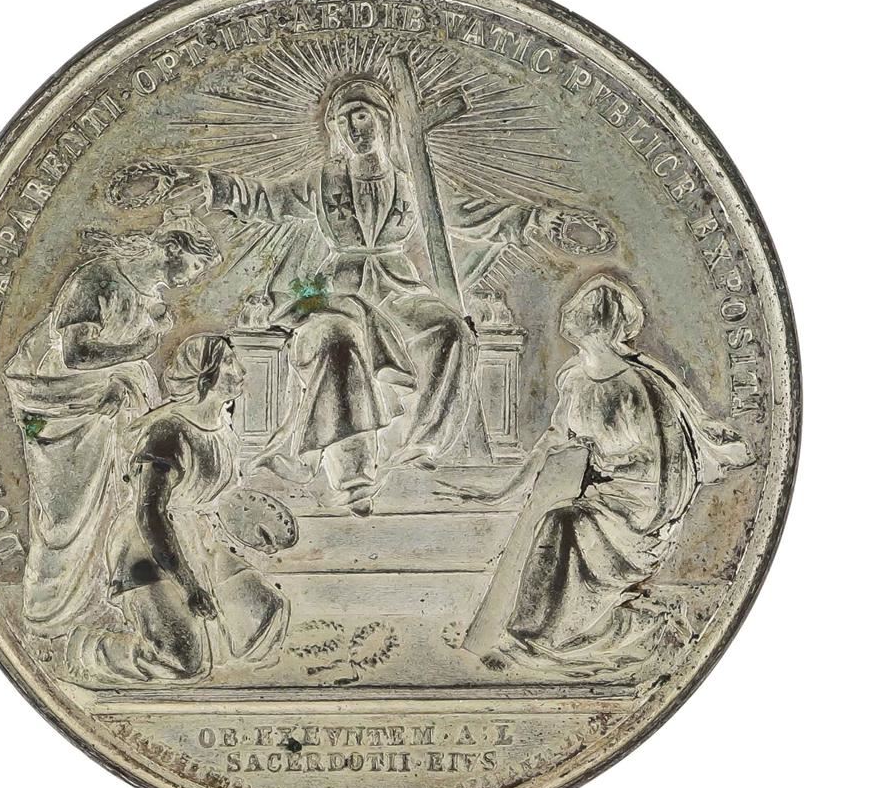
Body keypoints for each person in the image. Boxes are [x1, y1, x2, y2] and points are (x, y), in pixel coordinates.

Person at [108, 76, 614, 514]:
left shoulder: (411, 183)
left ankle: (418, 451)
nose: (356, 128)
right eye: (346, 119)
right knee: (336, 340)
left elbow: (473, 215)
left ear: (383, 123)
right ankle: (353, 476)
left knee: (450, 333)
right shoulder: (322, 183)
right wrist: (203, 185)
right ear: (334, 128)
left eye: (364, 116)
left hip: (398, 287)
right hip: (332, 288)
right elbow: (264, 199)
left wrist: (541, 219)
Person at [438, 275, 753, 672]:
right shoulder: (574, 379)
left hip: (639, 504)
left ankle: (531, 642)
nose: (573, 317)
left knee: (562, 524)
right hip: (600, 496)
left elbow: (669, 465)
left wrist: (629, 489)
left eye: (586, 313)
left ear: (603, 325)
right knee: (558, 524)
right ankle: (534, 637)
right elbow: (551, 442)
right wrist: (500, 493)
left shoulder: (640, 386)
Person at [5, 220, 220, 643]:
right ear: (173, 249)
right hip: (67, 413)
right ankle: (49, 616)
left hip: (112, 418)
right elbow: (74, 354)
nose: (193, 278)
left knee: (115, 509)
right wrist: (138, 350)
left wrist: (131, 369)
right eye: (195, 265)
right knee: (67, 520)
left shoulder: (149, 297)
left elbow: (128, 359)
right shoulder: (96, 279)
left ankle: (99, 605)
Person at [64, 334, 290, 683]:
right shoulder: (168, 434)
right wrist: (190, 586)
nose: (241, 370)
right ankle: (92, 649)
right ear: (205, 378)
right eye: (229, 363)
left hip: (198, 539)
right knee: (183, 663)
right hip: (147, 549)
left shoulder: (222, 429)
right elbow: (150, 515)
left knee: (266, 615)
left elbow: (211, 500)